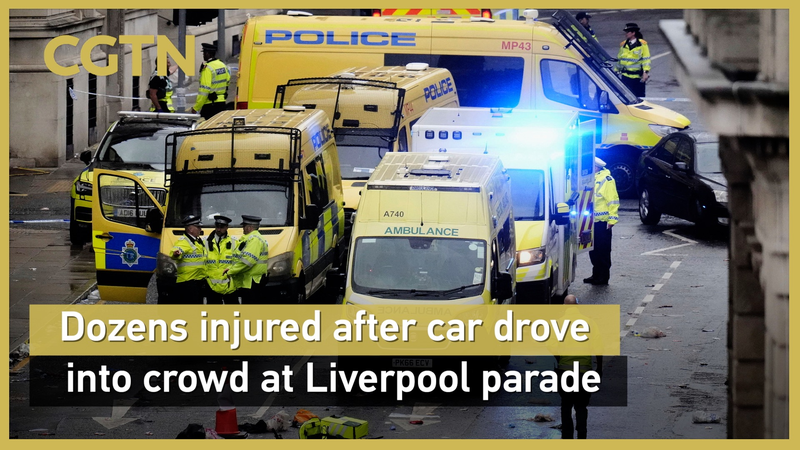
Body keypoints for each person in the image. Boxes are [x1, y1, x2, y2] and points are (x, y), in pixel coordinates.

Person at [555, 294, 603, 439]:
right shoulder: (589, 323)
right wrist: (599, 368)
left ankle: (567, 435)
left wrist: (560, 359)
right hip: (584, 372)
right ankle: (582, 434)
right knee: (581, 406)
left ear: (564, 307)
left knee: (566, 405)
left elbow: (552, 346)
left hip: (564, 372)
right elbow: (598, 348)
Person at [584, 157, 619, 285]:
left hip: (602, 222)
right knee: (593, 250)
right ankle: (596, 274)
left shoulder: (607, 180)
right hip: (590, 222)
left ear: (596, 167)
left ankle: (603, 277)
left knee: (603, 250)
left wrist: (612, 219)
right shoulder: (591, 178)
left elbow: (613, 200)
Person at [225, 215, 269, 304]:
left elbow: (248, 261)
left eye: (244, 226)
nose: (243, 229)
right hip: (249, 281)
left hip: (252, 282)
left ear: (249, 227)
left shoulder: (254, 240)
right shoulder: (251, 238)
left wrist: (231, 271)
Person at [166, 215, 207, 304]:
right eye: (198, 227)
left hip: (197, 281)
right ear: (191, 229)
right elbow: (175, 251)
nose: (200, 229)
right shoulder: (184, 241)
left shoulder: (197, 241)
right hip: (188, 282)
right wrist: (175, 254)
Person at [191, 43, 231, 120]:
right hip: (222, 102)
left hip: (210, 105)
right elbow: (227, 81)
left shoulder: (208, 68)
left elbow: (204, 90)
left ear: (208, 54)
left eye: (204, 53)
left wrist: (196, 107)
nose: (203, 55)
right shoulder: (222, 65)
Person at [204, 215, 238, 304]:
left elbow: (238, 261)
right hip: (211, 284)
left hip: (229, 285)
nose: (218, 229)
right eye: (217, 226)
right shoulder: (205, 242)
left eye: (221, 227)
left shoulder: (234, 242)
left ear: (227, 227)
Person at [615, 23, 651, 98]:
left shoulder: (642, 44)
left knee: (639, 98)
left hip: (637, 77)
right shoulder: (623, 45)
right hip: (626, 77)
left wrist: (645, 72)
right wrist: (615, 72)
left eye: (628, 32)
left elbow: (646, 59)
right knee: (626, 98)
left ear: (633, 33)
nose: (626, 34)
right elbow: (620, 60)